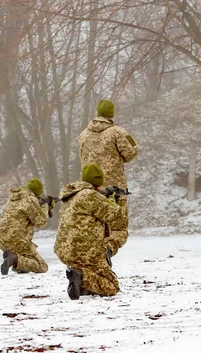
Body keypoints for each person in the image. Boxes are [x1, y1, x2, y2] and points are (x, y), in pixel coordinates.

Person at [79, 99, 138, 261]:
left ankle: (90, 259)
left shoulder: (84, 134)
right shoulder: (117, 132)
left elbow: (82, 158)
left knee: (94, 225)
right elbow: (130, 153)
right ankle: (108, 250)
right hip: (114, 190)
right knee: (119, 226)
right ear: (112, 114)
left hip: (90, 190)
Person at [55, 164, 124, 300]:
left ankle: (82, 282)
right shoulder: (92, 196)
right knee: (112, 286)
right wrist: (116, 201)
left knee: (94, 272)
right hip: (86, 252)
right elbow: (118, 219)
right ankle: (81, 275)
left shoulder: (70, 196)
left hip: (65, 251)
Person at [0, 178, 52, 275]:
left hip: (0, 239)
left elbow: (24, 211)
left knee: (26, 258)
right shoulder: (30, 199)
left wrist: (40, 204)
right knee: (42, 266)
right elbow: (41, 222)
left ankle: (18, 263)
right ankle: (14, 259)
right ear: (37, 193)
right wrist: (45, 205)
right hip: (17, 240)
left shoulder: (14, 198)